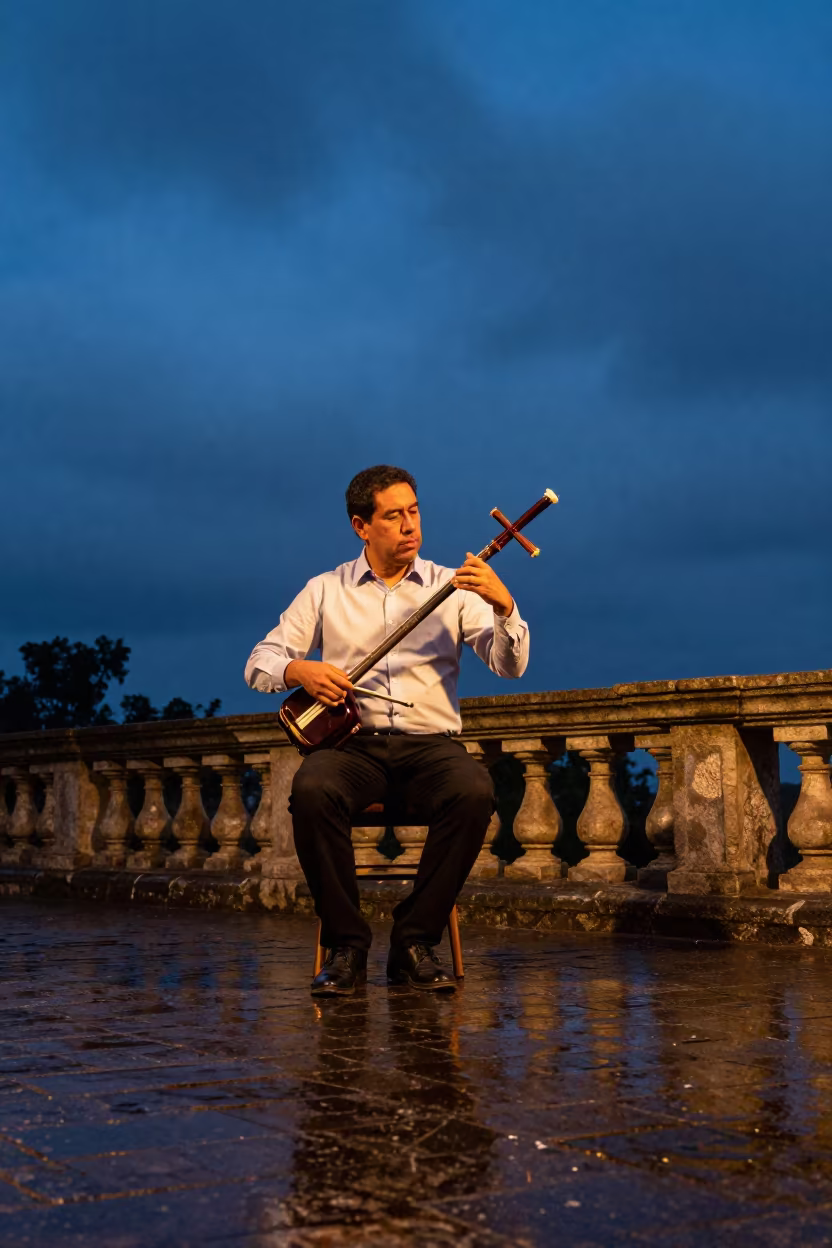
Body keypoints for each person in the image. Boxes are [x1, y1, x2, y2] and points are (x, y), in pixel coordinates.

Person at [244, 465, 529, 996]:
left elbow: (508, 665)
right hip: (354, 748)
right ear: (361, 526)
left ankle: (414, 941)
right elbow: (260, 660)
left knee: (474, 791)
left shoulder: (454, 586)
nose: (409, 526)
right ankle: (346, 946)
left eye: (414, 512)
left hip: (431, 747)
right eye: (393, 516)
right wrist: (298, 670)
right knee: (311, 789)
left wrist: (504, 606)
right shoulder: (326, 590)